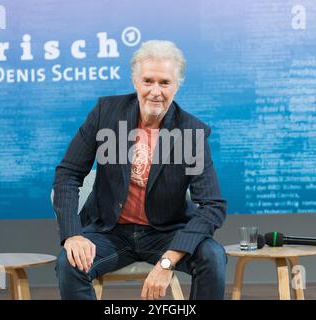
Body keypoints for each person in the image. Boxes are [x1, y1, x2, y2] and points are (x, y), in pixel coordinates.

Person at [52, 40, 227, 300]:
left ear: (176, 86)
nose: (155, 91)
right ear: (135, 81)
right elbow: (68, 174)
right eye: (148, 81)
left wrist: (169, 260)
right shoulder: (105, 113)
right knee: (70, 261)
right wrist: (72, 235)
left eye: (164, 83)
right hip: (110, 232)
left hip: (166, 234)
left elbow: (213, 205)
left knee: (212, 256)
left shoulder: (192, 132)